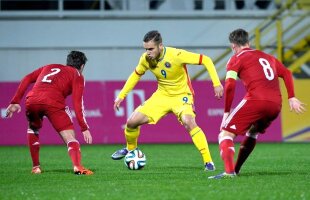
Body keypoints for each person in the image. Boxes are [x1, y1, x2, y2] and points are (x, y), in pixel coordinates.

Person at [111, 30, 223, 171]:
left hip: (182, 96)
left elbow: (206, 60)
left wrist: (216, 83)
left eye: (151, 49)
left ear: (160, 46)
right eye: (146, 49)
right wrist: (121, 95)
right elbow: (135, 75)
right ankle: (130, 149)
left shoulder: (176, 55)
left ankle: (208, 161)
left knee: (189, 122)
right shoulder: (145, 59)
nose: (148, 52)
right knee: (131, 122)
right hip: (162, 96)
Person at [208, 28, 306, 179]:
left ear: (233, 46)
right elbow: (286, 73)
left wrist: (226, 112)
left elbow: (229, 86)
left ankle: (229, 172)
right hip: (275, 105)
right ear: (248, 42)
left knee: (225, 134)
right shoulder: (268, 57)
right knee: (253, 132)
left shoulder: (236, 58)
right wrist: (291, 97)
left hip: (256, 100)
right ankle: (236, 169)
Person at [5, 51, 94, 175]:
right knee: (69, 136)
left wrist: (15, 101)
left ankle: (36, 167)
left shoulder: (49, 66)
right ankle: (78, 167)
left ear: (67, 62)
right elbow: (77, 104)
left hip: (32, 99)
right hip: (53, 102)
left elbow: (27, 78)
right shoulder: (77, 75)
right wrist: (84, 127)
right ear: (82, 66)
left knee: (33, 128)